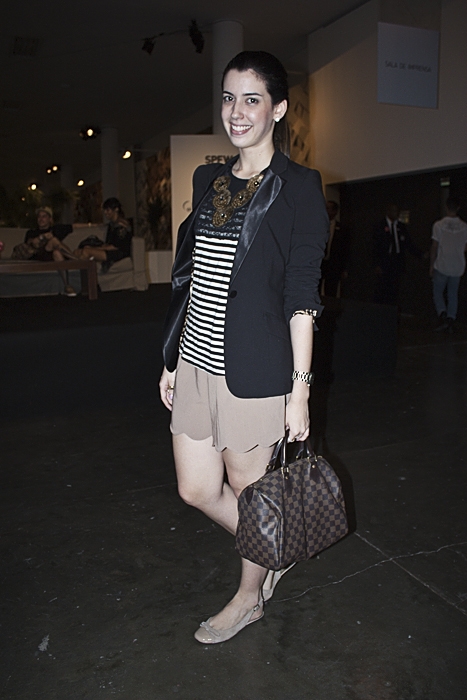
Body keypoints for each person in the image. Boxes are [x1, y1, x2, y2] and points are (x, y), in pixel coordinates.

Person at [159, 51, 328, 644]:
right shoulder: (207, 180)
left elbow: (303, 295)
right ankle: (274, 546)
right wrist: (172, 358)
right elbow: (189, 274)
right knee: (196, 489)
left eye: (252, 99)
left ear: (278, 109)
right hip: (195, 361)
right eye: (229, 98)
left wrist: (299, 392)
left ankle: (249, 598)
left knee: (254, 497)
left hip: (256, 371)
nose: (237, 111)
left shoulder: (300, 187)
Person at [430, 196, 467, 333]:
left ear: (446, 207)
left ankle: (442, 314)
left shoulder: (438, 225)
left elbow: (434, 246)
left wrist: (431, 265)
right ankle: (451, 319)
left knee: (438, 292)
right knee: (453, 294)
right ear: (458, 208)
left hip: (442, 264)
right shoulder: (464, 227)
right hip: (457, 266)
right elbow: (465, 247)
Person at [373, 204, 422, 306]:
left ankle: (393, 308)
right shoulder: (380, 226)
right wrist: (377, 264)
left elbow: (408, 243)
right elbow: (375, 246)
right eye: (394, 211)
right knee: (382, 289)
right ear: (388, 212)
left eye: (397, 212)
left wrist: (420, 254)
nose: (396, 214)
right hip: (385, 262)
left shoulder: (401, 226)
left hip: (397, 262)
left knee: (395, 288)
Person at [23, 206, 76, 296]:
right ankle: (77, 260)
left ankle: (67, 286)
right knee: (53, 240)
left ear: (50, 219)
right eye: (39, 216)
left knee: (57, 253)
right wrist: (43, 237)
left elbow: (74, 226)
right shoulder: (32, 232)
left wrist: (94, 225)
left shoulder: (56, 229)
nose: (41, 219)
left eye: (44, 216)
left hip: (53, 255)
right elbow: (32, 243)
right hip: (38, 255)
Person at [74, 197, 132, 272]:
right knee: (79, 251)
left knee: (86, 251)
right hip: (110, 250)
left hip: (118, 253)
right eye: (104, 210)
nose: (105, 213)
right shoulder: (112, 224)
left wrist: (96, 249)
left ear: (116, 209)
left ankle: (80, 274)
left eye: (108, 210)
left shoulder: (121, 226)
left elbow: (115, 247)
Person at [321, 200, 350, 297]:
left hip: (334, 264)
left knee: (331, 290)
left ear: (334, 211)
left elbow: (345, 249)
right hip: (319, 263)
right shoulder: (318, 226)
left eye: (328, 208)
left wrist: (344, 268)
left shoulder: (342, 229)